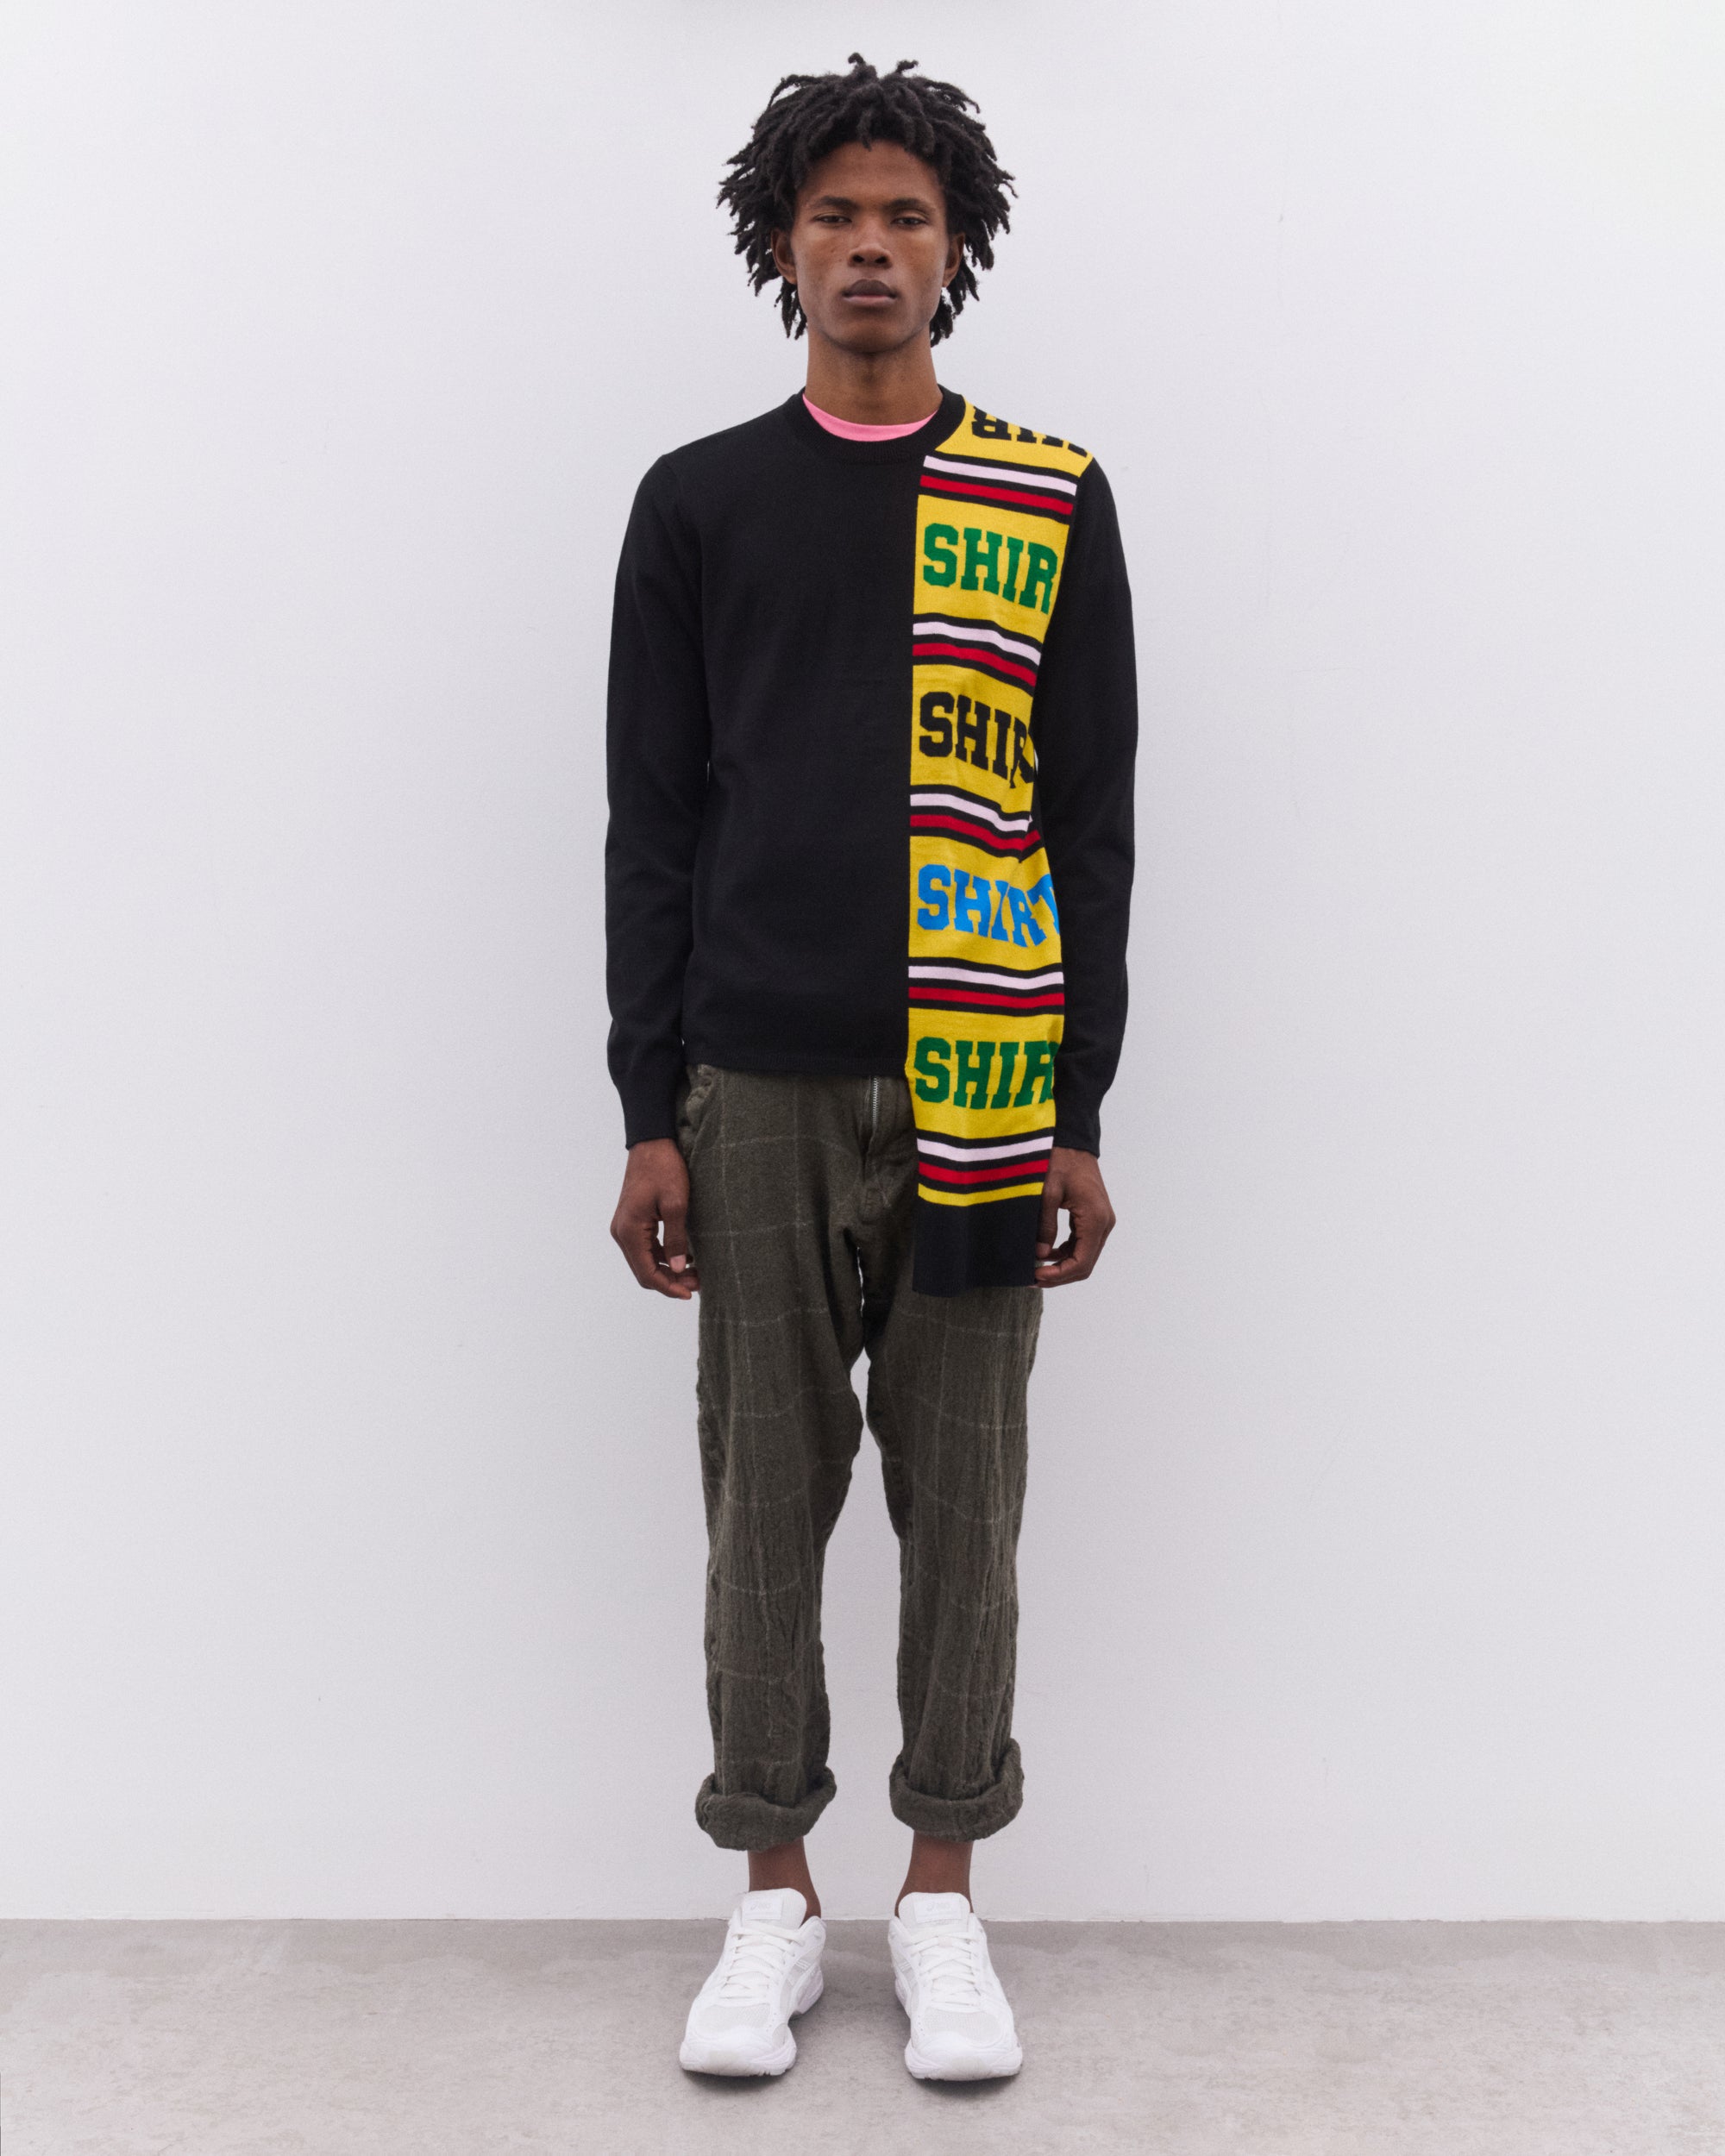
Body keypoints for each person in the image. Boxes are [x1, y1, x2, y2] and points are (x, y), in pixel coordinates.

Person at [605, 53, 1137, 2083]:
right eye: (833, 213)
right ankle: (771, 1899)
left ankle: (937, 1900)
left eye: (905, 214)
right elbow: (654, 820)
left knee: (966, 1495)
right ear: (779, 242)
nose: (868, 247)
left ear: (954, 245)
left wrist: (1079, 1105)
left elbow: (1087, 823)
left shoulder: (1046, 495)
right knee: (761, 1495)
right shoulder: (697, 500)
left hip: (987, 1085)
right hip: (749, 1077)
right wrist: (647, 1107)